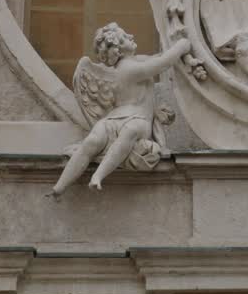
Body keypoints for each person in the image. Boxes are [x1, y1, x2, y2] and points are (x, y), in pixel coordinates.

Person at [50, 23, 190, 196]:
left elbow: (157, 57)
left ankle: (86, 179)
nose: (131, 36)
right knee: (93, 140)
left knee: (102, 139)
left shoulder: (135, 62)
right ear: (117, 49)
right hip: (121, 119)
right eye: (125, 37)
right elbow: (162, 63)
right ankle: (62, 186)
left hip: (136, 120)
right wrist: (182, 46)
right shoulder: (128, 69)